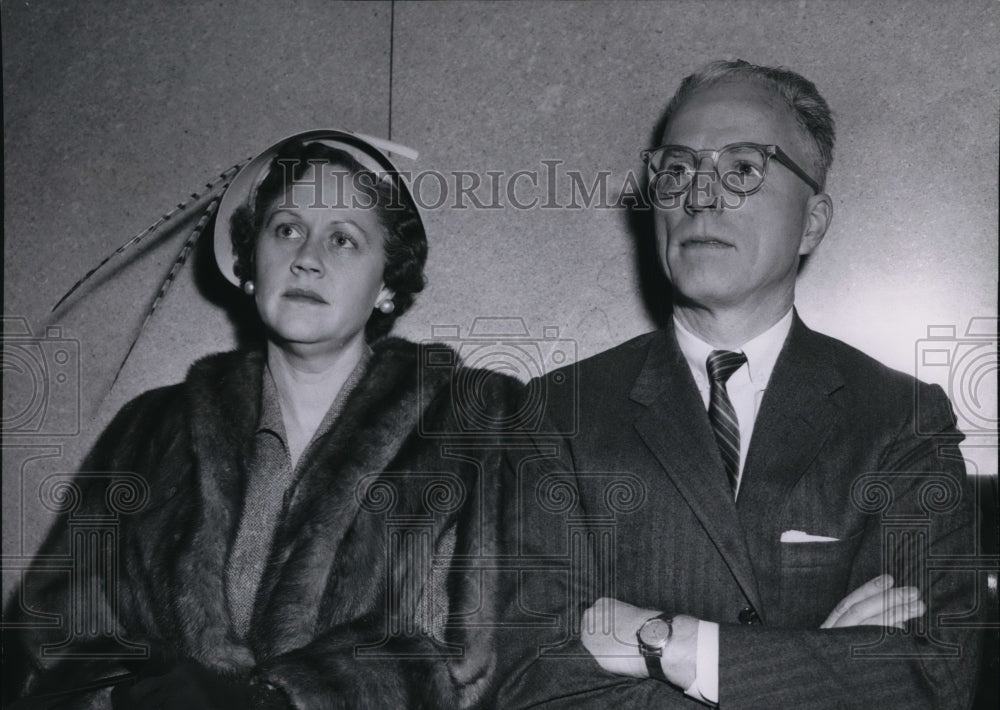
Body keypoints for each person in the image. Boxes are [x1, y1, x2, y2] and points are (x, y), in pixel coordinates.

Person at [497, 61, 982, 708]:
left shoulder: (901, 420)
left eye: (743, 169)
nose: (699, 196)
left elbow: (932, 681)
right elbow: (530, 683)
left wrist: (667, 643)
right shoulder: (557, 413)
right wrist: (812, 664)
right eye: (676, 170)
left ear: (812, 221)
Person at [4, 130, 523, 709]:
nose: (307, 258)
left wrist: (280, 701)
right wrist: (133, 691)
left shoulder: (475, 424)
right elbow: (48, 633)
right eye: (287, 230)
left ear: (387, 287)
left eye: (345, 240)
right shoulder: (150, 428)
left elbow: (479, 657)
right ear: (252, 267)